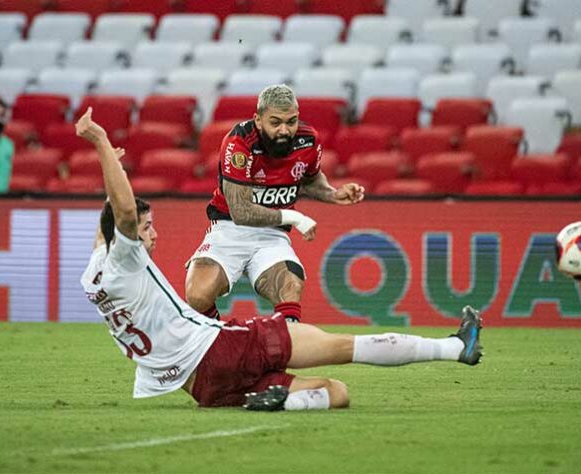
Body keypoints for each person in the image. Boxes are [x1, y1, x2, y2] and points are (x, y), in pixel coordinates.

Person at [76, 106, 483, 412]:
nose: (154, 234)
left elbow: (112, 219)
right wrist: (100, 144)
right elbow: (125, 214)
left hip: (204, 387)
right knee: (344, 345)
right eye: (148, 229)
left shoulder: (95, 275)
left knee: (336, 394)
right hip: (223, 348)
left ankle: (280, 402)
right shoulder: (127, 260)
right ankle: (453, 348)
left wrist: (110, 168)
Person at [185, 84, 365, 322]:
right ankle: (218, 336)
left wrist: (333, 194)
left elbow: (309, 179)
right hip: (229, 229)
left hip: (271, 235)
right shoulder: (239, 142)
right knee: (197, 296)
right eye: (275, 122)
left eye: (291, 122)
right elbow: (241, 212)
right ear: (258, 120)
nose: (284, 130)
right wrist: (294, 217)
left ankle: (286, 346)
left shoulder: (308, 140)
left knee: (290, 286)